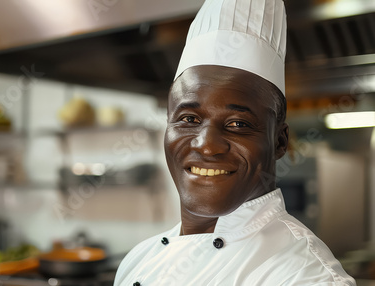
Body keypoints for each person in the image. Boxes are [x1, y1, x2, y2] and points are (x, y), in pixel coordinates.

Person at [113, 0, 356, 285]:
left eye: (238, 124)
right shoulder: (140, 259)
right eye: (189, 119)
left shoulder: (303, 275)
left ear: (279, 142)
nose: (206, 145)